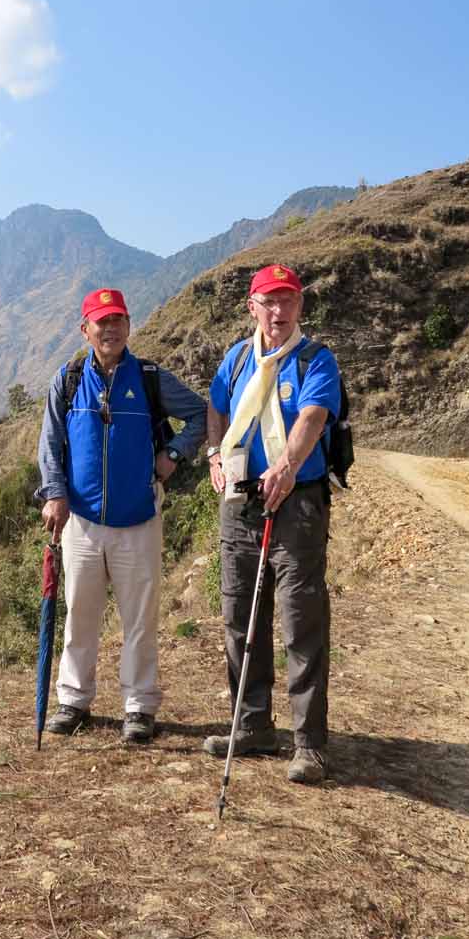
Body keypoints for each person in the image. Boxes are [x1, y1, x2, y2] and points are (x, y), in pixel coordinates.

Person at [37, 287, 207, 744]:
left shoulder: (149, 378)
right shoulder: (69, 379)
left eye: (118, 321)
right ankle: (74, 701)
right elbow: (50, 444)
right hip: (83, 522)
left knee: (139, 619)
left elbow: (200, 415)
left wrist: (173, 452)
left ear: (129, 326)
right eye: (101, 322)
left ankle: (139, 706)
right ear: (85, 329)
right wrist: (54, 494)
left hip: (139, 520)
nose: (110, 329)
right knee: (81, 616)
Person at [203, 264, 341, 783]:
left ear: (300, 306)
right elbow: (216, 407)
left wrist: (285, 467)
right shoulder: (238, 359)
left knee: (300, 621)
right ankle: (253, 723)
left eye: (288, 302)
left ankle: (309, 744)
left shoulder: (315, 360)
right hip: (239, 503)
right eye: (270, 302)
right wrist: (216, 454)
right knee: (242, 615)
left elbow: (311, 418)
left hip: (297, 504)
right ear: (252, 306)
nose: (279, 312)